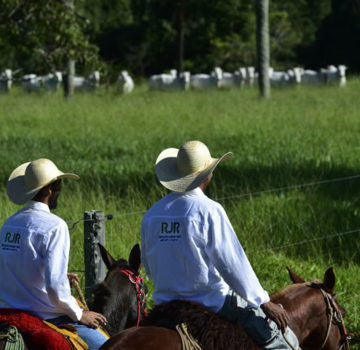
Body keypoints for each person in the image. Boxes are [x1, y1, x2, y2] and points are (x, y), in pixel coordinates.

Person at [141, 140, 299, 349]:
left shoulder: (153, 214)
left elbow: (150, 268)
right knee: (281, 343)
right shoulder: (209, 210)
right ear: (208, 175)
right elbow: (232, 264)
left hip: (165, 304)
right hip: (212, 302)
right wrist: (263, 301)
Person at [0, 158, 108, 350]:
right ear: (51, 189)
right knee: (109, 346)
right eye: (59, 184)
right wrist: (79, 314)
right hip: (46, 317)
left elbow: (12, 268)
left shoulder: (9, 224)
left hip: (8, 311)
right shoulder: (54, 226)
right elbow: (55, 288)